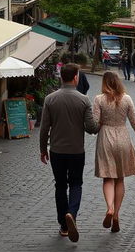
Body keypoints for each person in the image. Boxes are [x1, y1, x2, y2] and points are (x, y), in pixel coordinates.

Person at [40, 63, 99, 242]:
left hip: (57, 150)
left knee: (60, 185)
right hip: (76, 151)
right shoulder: (83, 100)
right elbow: (91, 128)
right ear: (75, 77)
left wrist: (43, 149)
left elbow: (44, 128)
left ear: (61, 77)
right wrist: (101, 121)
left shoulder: (50, 99)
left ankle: (64, 226)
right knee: (75, 184)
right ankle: (71, 214)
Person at [93, 72, 135, 233]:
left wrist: (98, 125)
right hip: (123, 138)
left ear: (104, 83)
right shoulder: (127, 99)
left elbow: (95, 123)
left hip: (106, 137)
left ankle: (109, 208)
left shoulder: (99, 99)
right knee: (120, 179)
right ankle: (116, 215)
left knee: (108, 178)